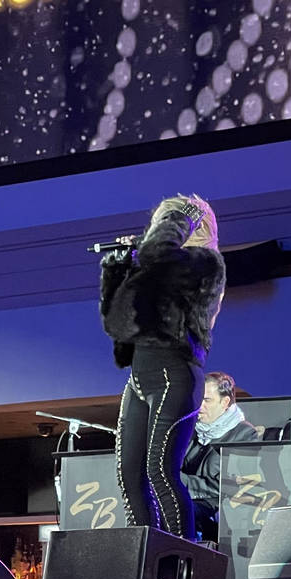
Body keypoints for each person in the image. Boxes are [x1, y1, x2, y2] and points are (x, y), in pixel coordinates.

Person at [100, 194, 225, 540]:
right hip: (140, 376)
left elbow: (160, 256)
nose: (155, 226)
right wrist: (120, 270)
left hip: (174, 374)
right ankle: (144, 565)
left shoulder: (205, 264)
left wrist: (174, 222)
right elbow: (116, 321)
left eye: (165, 219)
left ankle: (179, 563)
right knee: (130, 475)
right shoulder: (159, 262)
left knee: (160, 473)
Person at [181, 371, 260, 540]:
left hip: (216, 509)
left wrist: (178, 481)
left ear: (225, 402)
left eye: (207, 400)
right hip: (185, 497)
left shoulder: (244, 435)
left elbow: (230, 486)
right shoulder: (190, 428)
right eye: (198, 398)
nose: (199, 406)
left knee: (179, 510)